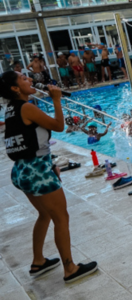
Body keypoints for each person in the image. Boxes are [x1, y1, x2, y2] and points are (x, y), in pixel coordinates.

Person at [1, 71, 99, 283]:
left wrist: (50, 163)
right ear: (15, 89)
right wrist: (56, 100)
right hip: (36, 171)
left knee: (45, 215)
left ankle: (38, 261)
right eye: (23, 79)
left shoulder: (11, 109)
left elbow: (29, 140)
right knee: (61, 217)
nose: (30, 80)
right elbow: (58, 126)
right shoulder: (26, 107)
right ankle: (70, 268)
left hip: (23, 169)